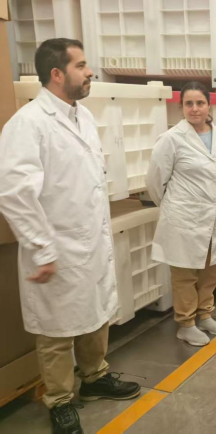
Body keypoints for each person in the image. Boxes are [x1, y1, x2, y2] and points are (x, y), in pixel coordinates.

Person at [0, 38, 141, 434]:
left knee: (96, 313)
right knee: (56, 331)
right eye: (81, 65)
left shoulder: (84, 117)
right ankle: (60, 400)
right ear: (57, 74)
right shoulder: (29, 124)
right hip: (56, 246)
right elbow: (14, 194)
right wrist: (41, 247)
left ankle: (95, 378)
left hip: (90, 241)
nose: (90, 71)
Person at [146, 82, 216, 347]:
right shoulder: (171, 139)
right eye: (189, 104)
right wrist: (175, 205)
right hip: (184, 216)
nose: (195, 109)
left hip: (215, 214)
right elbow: (155, 180)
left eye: (200, 103)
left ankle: (205, 314)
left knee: (212, 268)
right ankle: (186, 324)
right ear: (181, 107)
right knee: (185, 273)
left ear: (209, 105)